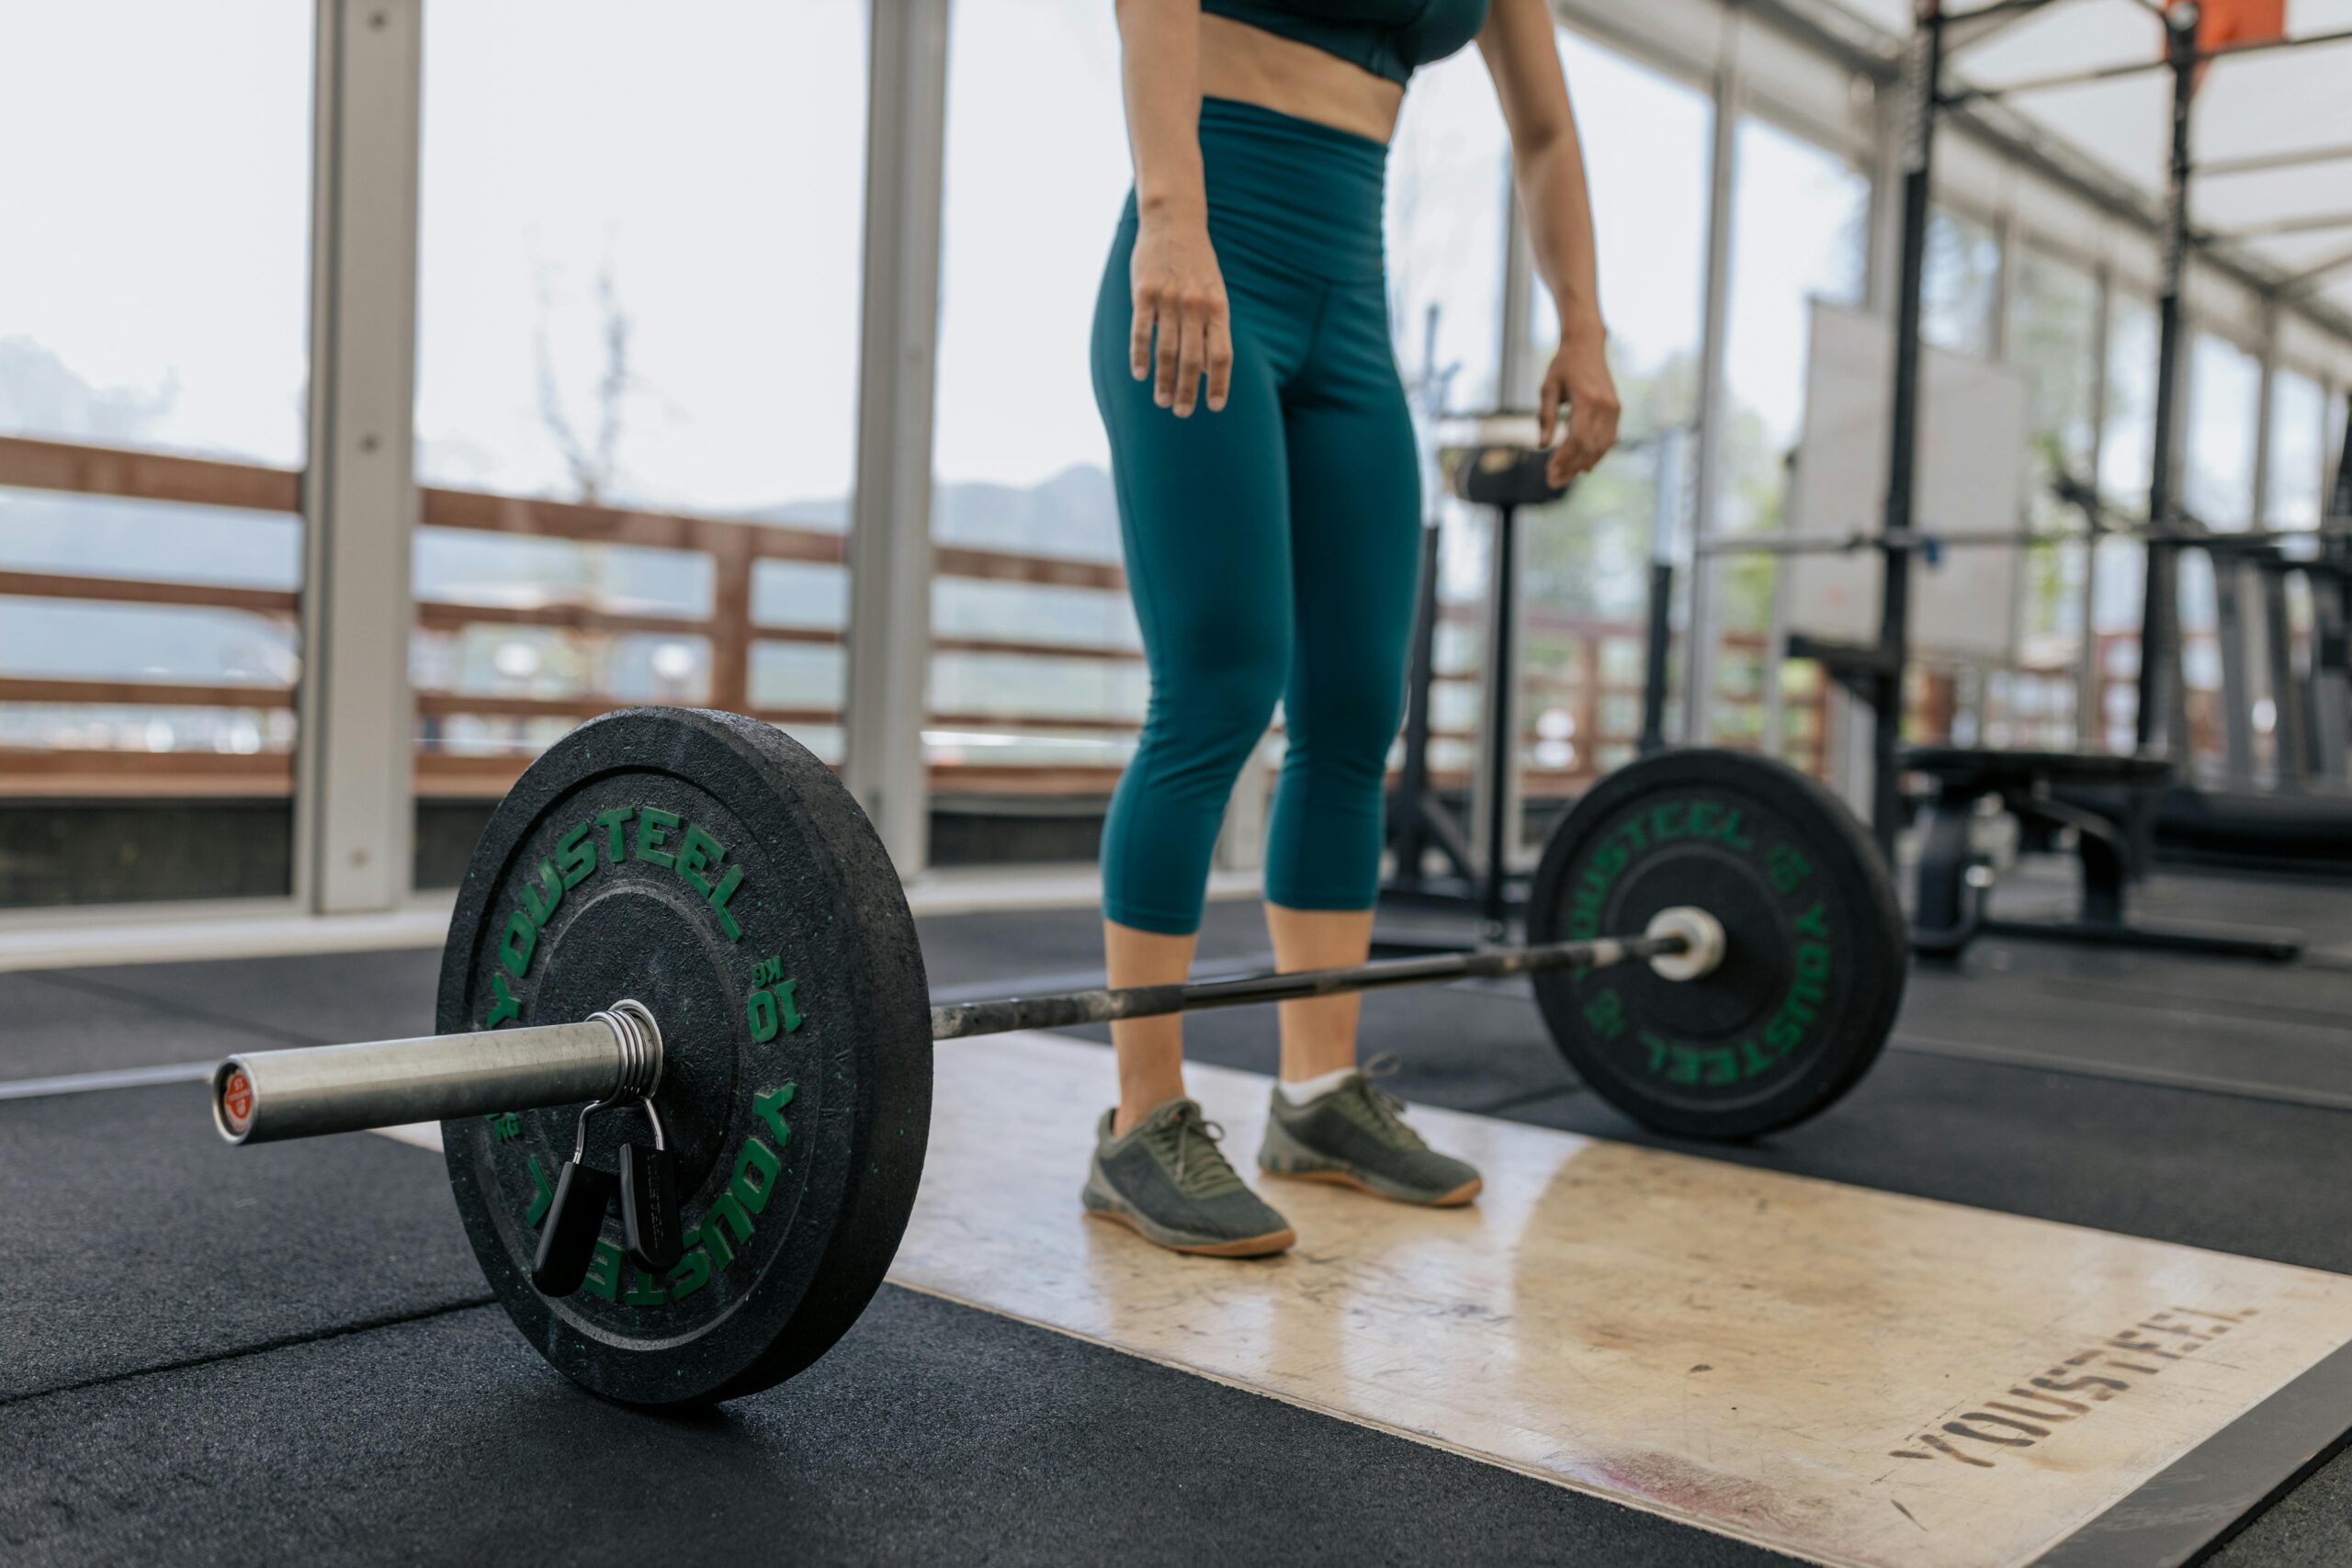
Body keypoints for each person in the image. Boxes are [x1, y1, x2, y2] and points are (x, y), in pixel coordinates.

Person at [1082, 0, 1621, 1257]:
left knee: (1352, 713)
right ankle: (1138, 1119)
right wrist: (1170, 213)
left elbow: (1545, 129)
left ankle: (1317, 1097)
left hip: (1349, 307)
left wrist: (1582, 322)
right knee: (1218, 688)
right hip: (1205, 257)